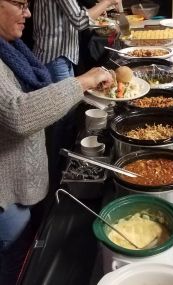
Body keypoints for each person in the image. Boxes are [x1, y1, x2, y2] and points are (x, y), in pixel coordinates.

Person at [0, 1, 114, 284]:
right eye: (20, 5)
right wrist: (82, 82)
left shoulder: (10, 47)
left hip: (22, 188)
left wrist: (82, 88)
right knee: (12, 263)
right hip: (7, 195)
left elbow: (36, 102)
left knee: (22, 253)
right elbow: (19, 114)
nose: (28, 14)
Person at [32, 0, 121, 191]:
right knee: (62, 119)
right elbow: (80, 20)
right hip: (56, 57)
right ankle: (56, 180)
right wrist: (107, 2)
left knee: (66, 119)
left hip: (57, 55)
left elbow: (77, 16)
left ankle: (61, 172)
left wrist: (98, 12)